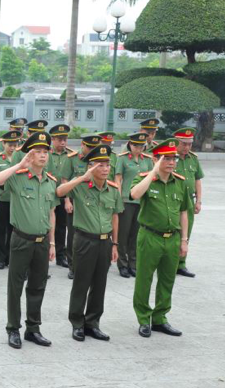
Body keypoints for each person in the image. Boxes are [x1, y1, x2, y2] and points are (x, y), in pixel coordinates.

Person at [0, 132, 58, 349]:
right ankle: (13, 328)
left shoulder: (50, 182)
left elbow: (51, 214)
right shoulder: (18, 178)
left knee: (38, 285)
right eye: (37, 151)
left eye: (44, 152)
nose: (42, 155)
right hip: (21, 239)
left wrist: (52, 243)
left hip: (41, 242)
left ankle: (33, 328)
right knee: (16, 286)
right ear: (29, 155)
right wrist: (20, 163)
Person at [56, 145, 122, 342]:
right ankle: (77, 323)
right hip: (84, 240)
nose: (105, 168)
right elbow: (60, 191)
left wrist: (115, 244)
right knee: (81, 283)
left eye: (107, 165)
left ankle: (93, 323)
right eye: (100, 165)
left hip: (105, 242)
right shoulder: (81, 187)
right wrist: (82, 178)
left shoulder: (113, 189)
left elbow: (115, 217)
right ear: (91, 167)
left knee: (100, 284)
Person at [130, 139, 192, 338]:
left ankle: (160, 318)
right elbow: (135, 194)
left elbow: (184, 212)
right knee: (144, 279)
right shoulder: (144, 179)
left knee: (167, 280)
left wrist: (184, 241)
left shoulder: (180, 182)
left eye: (173, 158)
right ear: (156, 159)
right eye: (166, 158)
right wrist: (153, 171)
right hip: (150, 237)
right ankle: (143, 319)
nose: (172, 162)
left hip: (172, 239)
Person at [114, 132, 153, 278]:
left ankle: (133, 263)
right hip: (126, 200)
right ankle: (122, 264)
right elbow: (118, 179)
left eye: (142, 146)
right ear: (130, 145)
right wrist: (118, 199)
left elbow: (149, 179)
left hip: (142, 201)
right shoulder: (122, 159)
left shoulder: (147, 160)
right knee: (123, 234)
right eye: (136, 146)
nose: (139, 148)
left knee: (136, 234)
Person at [66, 134, 101, 279]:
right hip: (76, 199)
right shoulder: (72, 159)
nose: (92, 149)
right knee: (74, 234)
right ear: (82, 145)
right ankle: (72, 266)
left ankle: (90, 265)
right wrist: (67, 201)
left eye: (95, 147)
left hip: (94, 201)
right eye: (90, 147)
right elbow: (64, 180)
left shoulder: (100, 160)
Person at [173, 127, 204, 278]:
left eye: (189, 144)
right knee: (172, 231)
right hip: (172, 200)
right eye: (183, 144)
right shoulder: (169, 158)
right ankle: (169, 263)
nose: (186, 147)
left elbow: (197, 180)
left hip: (189, 201)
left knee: (186, 232)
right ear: (176, 142)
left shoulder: (193, 158)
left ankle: (181, 264)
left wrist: (198, 200)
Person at [0, 129, 21, 270]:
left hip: (15, 200)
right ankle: (0, 258)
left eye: (15, 145)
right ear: (4, 144)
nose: (13, 148)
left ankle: (9, 256)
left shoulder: (20, 159)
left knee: (13, 230)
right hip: (1, 199)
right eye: (10, 145)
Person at [47, 124, 75, 269]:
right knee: (47, 224)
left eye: (65, 139)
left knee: (62, 226)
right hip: (48, 194)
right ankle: (45, 253)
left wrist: (68, 199)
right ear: (52, 139)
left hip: (64, 196)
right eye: (59, 139)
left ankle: (60, 255)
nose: (63, 142)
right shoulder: (46, 153)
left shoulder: (70, 155)